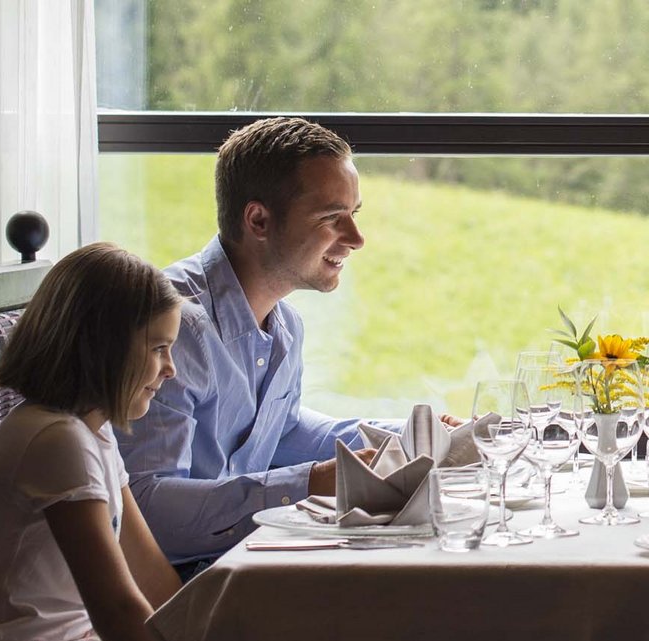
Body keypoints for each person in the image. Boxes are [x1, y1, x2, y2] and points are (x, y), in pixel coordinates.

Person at [117, 117, 437, 573]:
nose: (356, 238)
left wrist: (411, 436)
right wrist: (310, 484)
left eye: (354, 214)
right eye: (332, 217)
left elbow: (281, 433)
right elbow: (143, 507)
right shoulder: (174, 327)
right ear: (259, 220)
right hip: (175, 586)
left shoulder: (284, 326)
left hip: (236, 566)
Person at [0, 243, 190, 641]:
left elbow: (151, 577)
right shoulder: (56, 442)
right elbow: (114, 608)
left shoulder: (94, 433)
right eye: (158, 348)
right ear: (105, 348)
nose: (170, 369)